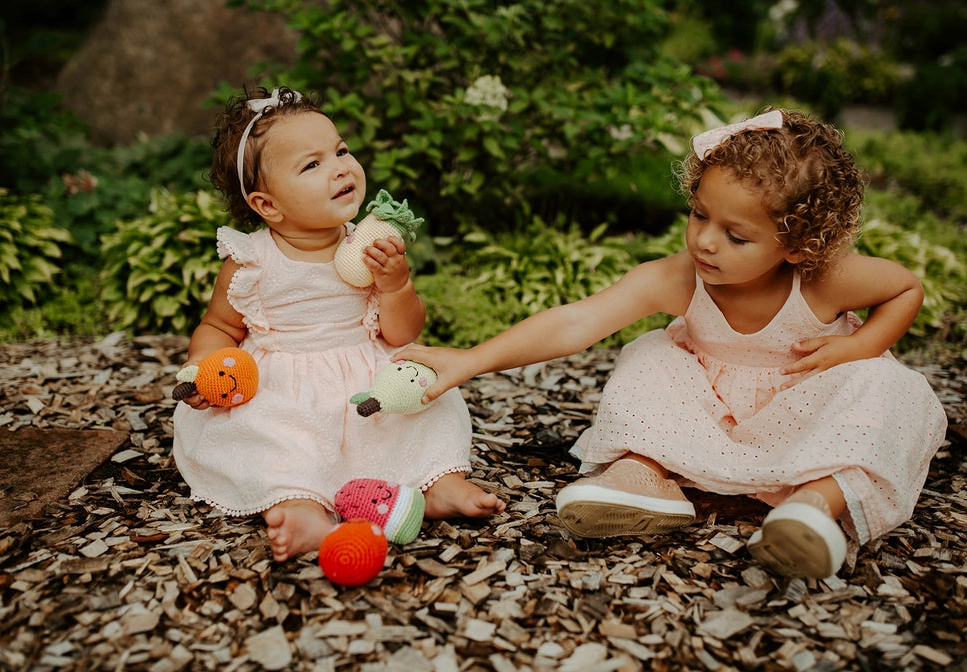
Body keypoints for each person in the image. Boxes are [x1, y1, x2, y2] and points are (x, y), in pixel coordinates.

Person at [397, 108, 948, 579]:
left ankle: (813, 506)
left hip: (807, 408)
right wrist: (471, 360)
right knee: (651, 354)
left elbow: (905, 288)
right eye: (699, 215)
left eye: (736, 236)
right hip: (710, 413)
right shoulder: (681, 277)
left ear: (800, 247)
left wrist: (859, 345)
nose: (705, 241)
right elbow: (578, 321)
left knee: (884, 382)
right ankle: (644, 476)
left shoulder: (825, 280)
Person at [172, 86, 504, 563]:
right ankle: (301, 506)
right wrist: (204, 363)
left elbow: (402, 335)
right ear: (268, 206)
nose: (341, 167)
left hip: (363, 379)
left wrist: (396, 286)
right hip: (283, 386)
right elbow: (220, 327)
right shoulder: (251, 261)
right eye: (313, 165)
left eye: (341, 151)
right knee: (274, 437)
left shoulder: (369, 246)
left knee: (426, 405)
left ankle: (438, 484)